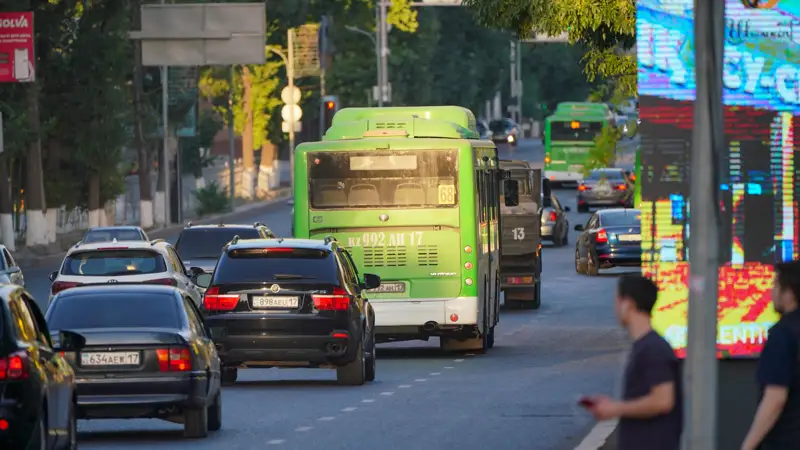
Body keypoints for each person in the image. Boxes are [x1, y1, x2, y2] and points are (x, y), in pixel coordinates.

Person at [580, 274, 683, 450]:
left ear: (628, 305)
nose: (615, 308)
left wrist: (616, 408)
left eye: (617, 301)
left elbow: (663, 400)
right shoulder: (645, 346)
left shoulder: (652, 349)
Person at [742, 261, 800, 450]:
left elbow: (775, 398)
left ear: (789, 293)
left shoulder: (783, 334)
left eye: (775, 284)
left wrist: (748, 446)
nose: (771, 291)